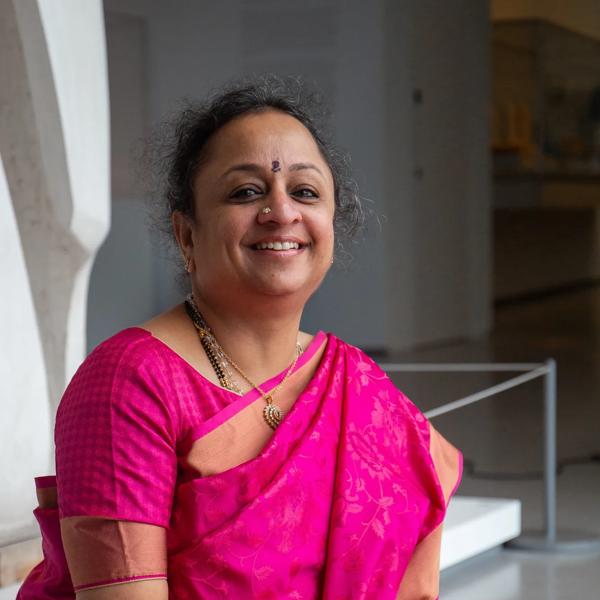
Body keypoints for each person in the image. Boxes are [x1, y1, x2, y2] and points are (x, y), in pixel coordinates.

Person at [18, 76, 461, 600]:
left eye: (305, 191)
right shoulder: (130, 382)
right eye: (246, 191)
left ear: (331, 227)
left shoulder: (355, 387)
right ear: (187, 235)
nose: (281, 212)